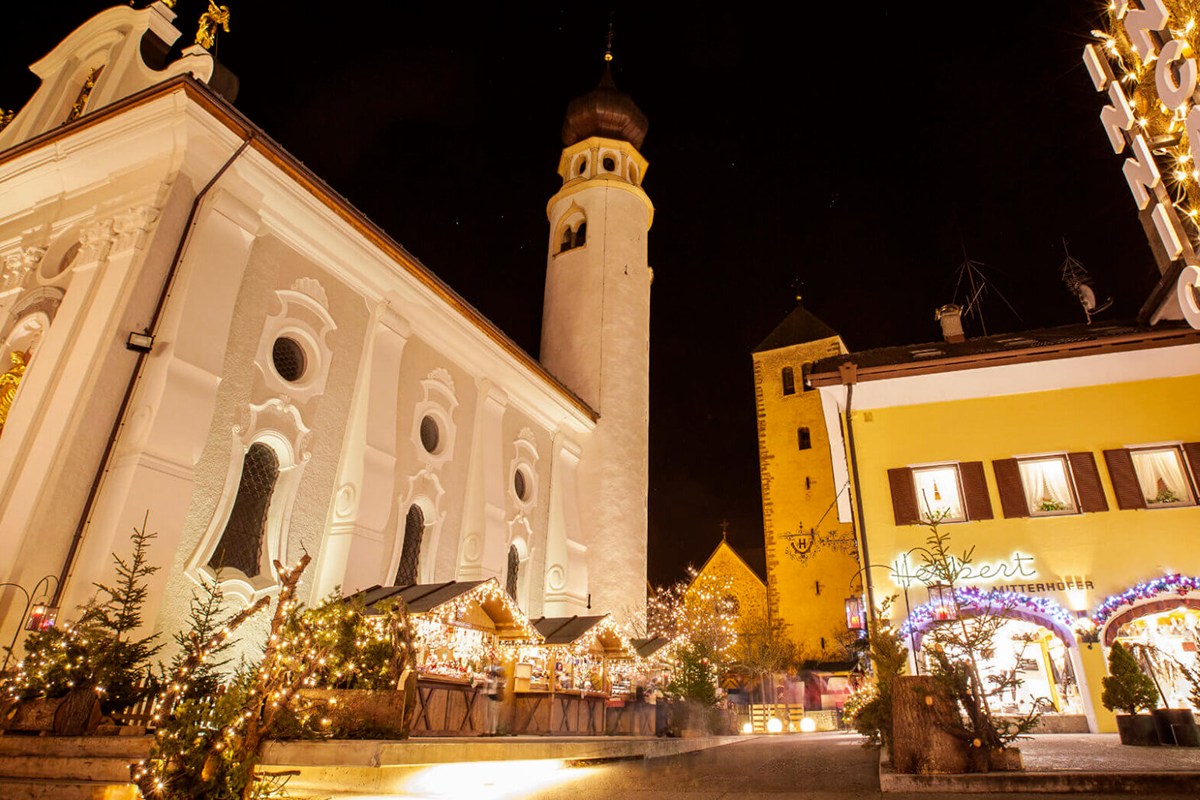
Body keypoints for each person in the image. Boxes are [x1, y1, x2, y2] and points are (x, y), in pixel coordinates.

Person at [483, 665, 506, 735]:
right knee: (494, 715)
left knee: (489, 714)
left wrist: (485, 683)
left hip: (492, 696)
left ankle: (488, 731)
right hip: (498, 697)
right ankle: (493, 731)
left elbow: (491, 685)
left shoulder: (493, 677)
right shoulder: (502, 678)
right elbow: (504, 686)